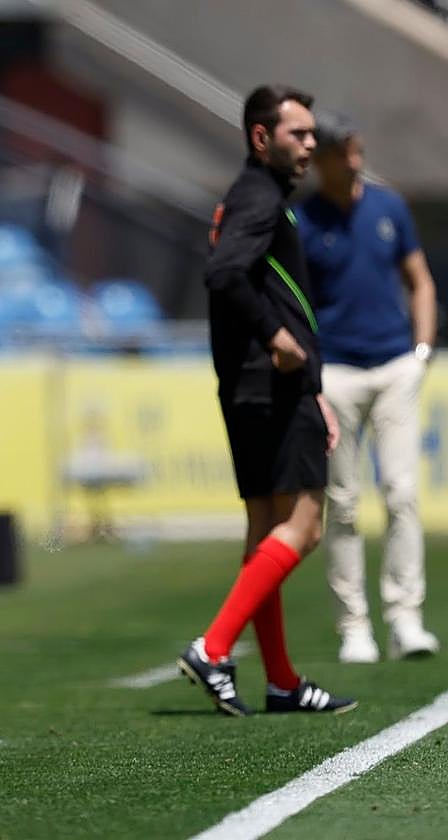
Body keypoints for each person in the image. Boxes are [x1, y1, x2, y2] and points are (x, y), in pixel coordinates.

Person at [177, 85, 356, 716]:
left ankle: (281, 681)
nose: (311, 144)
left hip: (251, 386)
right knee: (303, 528)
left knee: (264, 532)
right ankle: (214, 646)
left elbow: (238, 276)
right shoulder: (258, 196)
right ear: (262, 138)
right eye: (297, 134)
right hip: (271, 386)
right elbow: (225, 272)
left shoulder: (251, 196)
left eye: (312, 135)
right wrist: (280, 341)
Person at [297, 113, 440, 663]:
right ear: (321, 160)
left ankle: (406, 619)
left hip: (395, 366)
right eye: (344, 154)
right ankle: (354, 625)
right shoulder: (302, 220)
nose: (354, 162)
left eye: (357, 151)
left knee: (402, 495)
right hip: (335, 373)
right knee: (345, 503)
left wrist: (421, 351)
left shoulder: (388, 206)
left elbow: (419, 279)